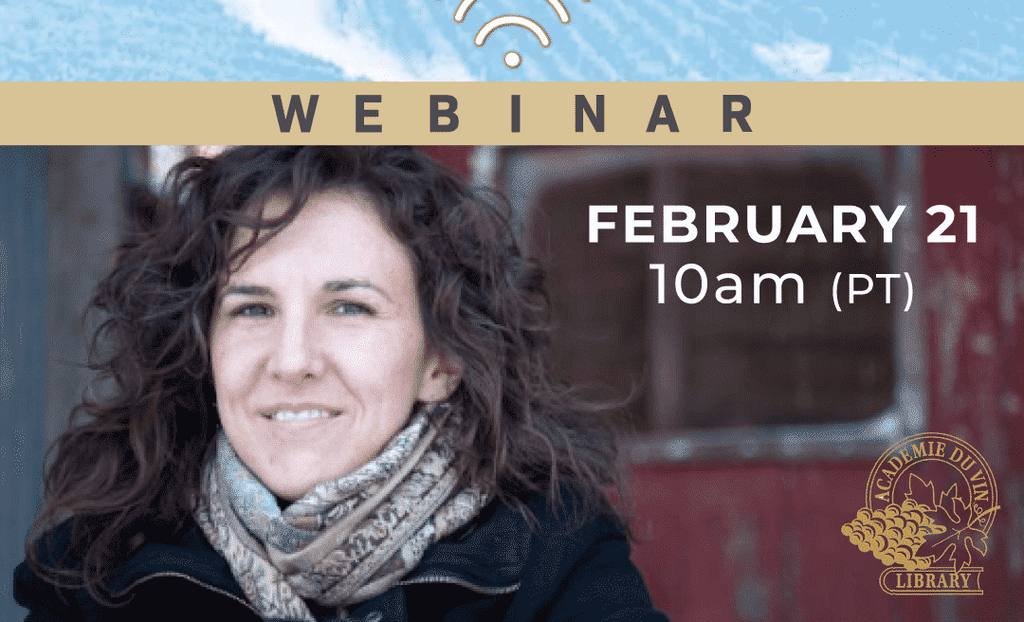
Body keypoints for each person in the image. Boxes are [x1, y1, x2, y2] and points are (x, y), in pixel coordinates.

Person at [16, 146, 667, 622]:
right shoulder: (95, 578)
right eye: (252, 309)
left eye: (349, 307)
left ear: (440, 362)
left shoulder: (551, 560)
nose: (292, 360)